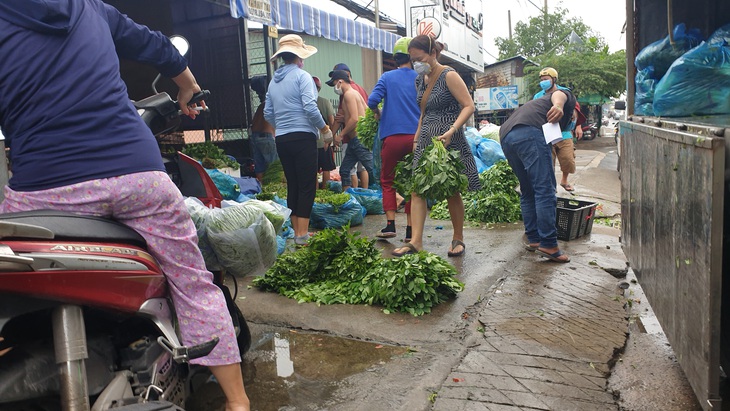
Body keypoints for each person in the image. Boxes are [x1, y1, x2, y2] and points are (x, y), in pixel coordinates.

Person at [0, 1, 250, 409]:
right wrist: (186, 86)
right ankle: (238, 402)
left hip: (45, 189)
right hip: (139, 178)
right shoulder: (88, 8)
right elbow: (156, 46)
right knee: (192, 283)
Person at [392, 35, 480, 258]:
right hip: (425, 140)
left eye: (419, 58)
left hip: (448, 140)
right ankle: (416, 242)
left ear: (433, 54)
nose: (416, 63)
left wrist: (452, 130)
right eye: (413, 60)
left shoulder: (449, 75)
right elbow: (424, 112)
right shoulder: (420, 79)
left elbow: (468, 106)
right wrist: (416, 138)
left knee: (451, 190)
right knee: (417, 189)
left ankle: (457, 238)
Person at [499, 70, 577, 263]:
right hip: (528, 130)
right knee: (545, 189)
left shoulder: (538, 105)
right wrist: (559, 106)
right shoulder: (563, 95)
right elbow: (560, 96)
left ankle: (534, 239)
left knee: (528, 189)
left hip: (507, 135)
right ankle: (549, 244)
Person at [264, 34, 332, 245]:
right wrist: (325, 129)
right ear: (299, 58)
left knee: (293, 184)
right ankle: (302, 235)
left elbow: (268, 113)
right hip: (303, 137)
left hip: (283, 139)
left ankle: (297, 231)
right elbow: (310, 107)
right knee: (307, 185)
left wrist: (283, 126)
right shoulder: (303, 77)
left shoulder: (273, 83)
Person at [367, 37, 418, 241]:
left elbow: (372, 101)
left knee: (388, 181)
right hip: (416, 138)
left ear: (395, 58)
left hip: (392, 139)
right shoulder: (419, 78)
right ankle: (410, 230)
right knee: (414, 183)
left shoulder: (387, 77)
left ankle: (390, 226)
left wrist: (377, 112)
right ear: (411, 57)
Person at [532, 67, 581, 192]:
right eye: (541, 80)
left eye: (546, 79)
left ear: (554, 80)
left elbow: (575, 109)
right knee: (548, 161)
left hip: (565, 133)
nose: (543, 82)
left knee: (568, 160)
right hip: (547, 133)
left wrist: (578, 125)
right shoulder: (538, 96)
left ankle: (564, 180)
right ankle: (551, 185)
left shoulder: (564, 92)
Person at [327, 70, 374, 192]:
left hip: (358, 140)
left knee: (372, 169)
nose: (335, 88)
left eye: (335, 83)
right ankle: (348, 196)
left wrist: (340, 135)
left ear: (340, 81)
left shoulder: (348, 95)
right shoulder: (355, 93)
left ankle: (396, 198)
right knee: (345, 170)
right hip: (356, 140)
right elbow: (368, 111)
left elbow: (354, 119)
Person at [250, 75, 277, 182]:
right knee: (274, 167)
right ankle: (274, 189)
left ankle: (261, 188)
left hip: (255, 136)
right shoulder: (273, 104)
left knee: (259, 167)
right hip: (267, 136)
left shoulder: (262, 106)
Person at [313, 76, 336, 189]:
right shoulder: (325, 102)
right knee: (326, 168)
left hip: (311, 142)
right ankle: (325, 191)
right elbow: (332, 121)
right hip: (325, 141)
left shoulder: (304, 102)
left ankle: (316, 191)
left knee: (314, 169)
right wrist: (331, 137)